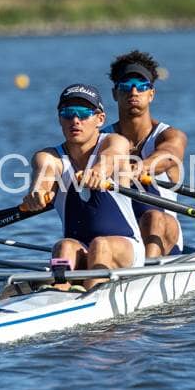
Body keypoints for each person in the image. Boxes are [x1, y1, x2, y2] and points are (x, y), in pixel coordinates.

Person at [22, 83, 145, 292]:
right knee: (63, 246)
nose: (75, 120)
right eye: (68, 113)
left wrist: (98, 171)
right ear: (59, 119)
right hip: (79, 249)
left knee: (100, 245)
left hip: (126, 248)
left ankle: (91, 296)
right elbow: (44, 175)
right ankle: (58, 291)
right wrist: (37, 194)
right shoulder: (49, 156)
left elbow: (112, 155)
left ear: (100, 119)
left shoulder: (115, 141)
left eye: (84, 113)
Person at [104, 50, 187, 258]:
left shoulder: (169, 136)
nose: (133, 92)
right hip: (117, 241)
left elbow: (169, 155)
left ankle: (148, 268)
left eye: (141, 86)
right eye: (126, 85)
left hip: (163, 238)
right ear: (115, 93)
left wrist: (140, 167)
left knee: (154, 218)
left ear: (151, 94)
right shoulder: (101, 139)